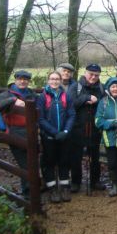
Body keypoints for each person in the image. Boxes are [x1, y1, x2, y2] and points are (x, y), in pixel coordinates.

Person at [0, 70, 37, 197]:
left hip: (31, 131)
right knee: (25, 163)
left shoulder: (31, 94)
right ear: (15, 80)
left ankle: (32, 189)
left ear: (29, 81)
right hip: (15, 132)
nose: (23, 81)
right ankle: (28, 193)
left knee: (32, 161)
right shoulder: (7, 94)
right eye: (20, 79)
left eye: (26, 79)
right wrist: (13, 100)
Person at [36, 71, 76, 203]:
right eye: (52, 79)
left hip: (64, 136)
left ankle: (65, 187)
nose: (54, 81)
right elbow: (40, 119)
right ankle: (52, 189)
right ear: (48, 81)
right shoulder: (42, 97)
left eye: (57, 79)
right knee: (50, 162)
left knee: (64, 160)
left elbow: (71, 114)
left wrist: (65, 131)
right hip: (49, 136)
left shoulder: (66, 96)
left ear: (60, 81)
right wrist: (54, 132)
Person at [67, 63, 106, 193]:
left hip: (95, 128)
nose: (93, 77)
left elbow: (105, 103)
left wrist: (97, 101)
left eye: (96, 75)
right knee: (75, 157)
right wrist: (86, 98)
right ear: (85, 73)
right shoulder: (75, 87)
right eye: (91, 74)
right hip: (77, 128)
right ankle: (75, 182)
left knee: (95, 157)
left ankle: (95, 181)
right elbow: (70, 103)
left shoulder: (101, 87)